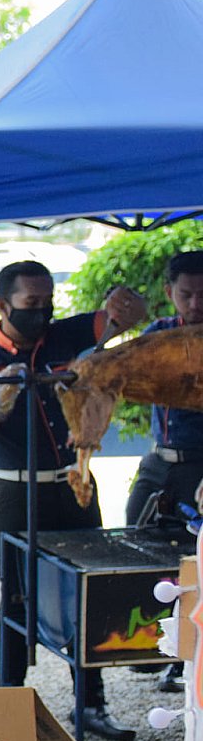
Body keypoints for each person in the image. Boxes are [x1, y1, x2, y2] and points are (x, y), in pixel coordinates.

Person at [0, 260, 146, 740]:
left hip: (73, 483)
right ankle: (5, 702)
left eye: (48, 301)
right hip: (13, 491)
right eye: (31, 303)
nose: (42, 312)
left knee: (88, 593)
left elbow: (122, 318)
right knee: (17, 594)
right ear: (4, 305)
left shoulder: (66, 336)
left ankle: (91, 703)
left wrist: (126, 306)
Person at [123, 250, 203, 692]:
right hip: (159, 461)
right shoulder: (158, 334)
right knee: (135, 541)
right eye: (186, 294)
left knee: (196, 562)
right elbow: (112, 367)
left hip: (201, 464)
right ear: (170, 292)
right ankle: (148, 644)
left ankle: (188, 660)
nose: (195, 304)